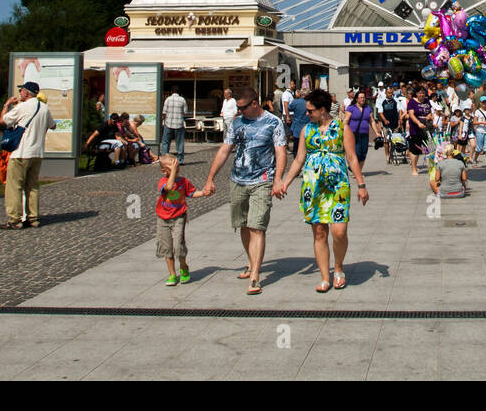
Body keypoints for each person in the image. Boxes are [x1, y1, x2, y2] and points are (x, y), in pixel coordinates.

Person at [275, 88, 369, 292]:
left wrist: (361, 184)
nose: (307, 114)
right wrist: (285, 182)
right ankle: (325, 277)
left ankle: (339, 267)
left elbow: (352, 158)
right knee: (319, 232)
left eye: (310, 111)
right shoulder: (306, 130)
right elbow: (299, 159)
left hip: (337, 186)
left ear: (323, 109)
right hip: (313, 186)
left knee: (339, 231)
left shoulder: (343, 129)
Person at [199, 87, 287, 296]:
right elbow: (224, 150)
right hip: (238, 179)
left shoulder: (273, 122)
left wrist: (278, 180)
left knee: (257, 226)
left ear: (254, 103)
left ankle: (256, 275)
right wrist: (210, 178)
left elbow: (280, 151)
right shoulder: (238, 123)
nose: (239, 112)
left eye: (242, 108)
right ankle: (250, 262)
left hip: (262, 180)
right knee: (244, 225)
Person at [0, 81, 55, 229]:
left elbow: (3, 120)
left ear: (26, 92)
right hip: (37, 153)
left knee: (14, 186)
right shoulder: (44, 108)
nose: (20, 93)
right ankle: (33, 218)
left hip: (21, 152)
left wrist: (7, 104)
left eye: (21, 90)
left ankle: (15, 220)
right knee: (33, 186)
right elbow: (52, 125)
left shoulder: (22, 107)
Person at [155, 155, 195, 286]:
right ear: (164, 171)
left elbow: (191, 193)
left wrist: (205, 192)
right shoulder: (162, 181)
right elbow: (169, 187)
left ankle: (183, 267)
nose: (176, 170)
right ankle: (172, 274)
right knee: (167, 247)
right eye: (172, 168)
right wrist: (172, 172)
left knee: (178, 245)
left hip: (179, 216)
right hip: (163, 218)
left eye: (177, 167)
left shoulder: (183, 181)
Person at [403, 85, 434, 176]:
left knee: (429, 149)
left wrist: (429, 116)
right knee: (415, 149)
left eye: (423, 93)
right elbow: (411, 115)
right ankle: (414, 168)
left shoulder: (427, 101)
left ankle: (431, 167)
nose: (422, 95)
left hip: (426, 127)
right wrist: (418, 123)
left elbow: (429, 112)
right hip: (415, 128)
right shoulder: (412, 102)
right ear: (416, 93)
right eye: (420, 93)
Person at [344, 89, 373, 169]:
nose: (362, 99)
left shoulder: (368, 108)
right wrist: (343, 131)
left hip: (365, 134)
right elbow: (346, 120)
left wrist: (377, 132)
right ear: (356, 99)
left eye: (363, 97)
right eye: (360, 97)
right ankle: (354, 169)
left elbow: (372, 121)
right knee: (357, 152)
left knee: (363, 153)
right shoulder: (351, 108)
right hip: (353, 134)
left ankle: (358, 171)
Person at [161, 86, 187, 162]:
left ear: (171, 91)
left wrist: (164, 121)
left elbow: (164, 112)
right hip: (179, 123)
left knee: (166, 142)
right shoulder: (182, 100)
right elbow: (185, 112)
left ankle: (164, 159)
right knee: (180, 143)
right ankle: (180, 160)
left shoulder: (168, 99)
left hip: (168, 123)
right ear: (179, 92)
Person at [288, 89, 310, 158]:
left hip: (297, 127)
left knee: (296, 147)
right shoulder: (310, 103)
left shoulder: (296, 102)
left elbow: (289, 107)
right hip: (307, 127)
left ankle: (296, 159)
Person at [473, 97, 486, 167]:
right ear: (480, 103)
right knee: (479, 149)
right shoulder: (477, 111)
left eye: (485, 102)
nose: (484, 104)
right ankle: (475, 160)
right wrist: (481, 122)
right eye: (483, 102)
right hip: (479, 131)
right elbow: (474, 122)